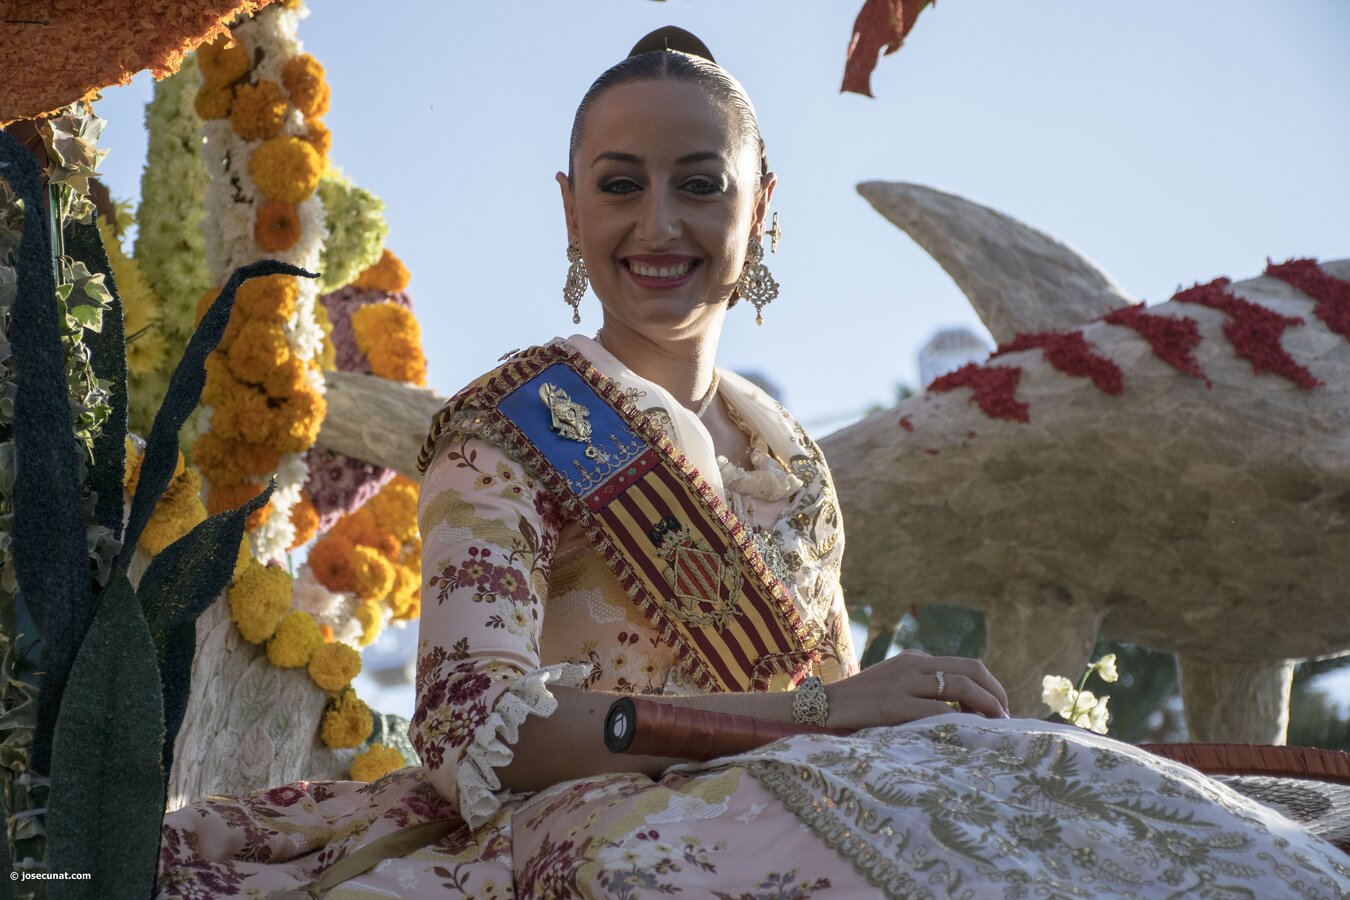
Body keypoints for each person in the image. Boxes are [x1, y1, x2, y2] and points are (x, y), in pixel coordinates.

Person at [158, 27, 1350, 899]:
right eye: (620, 188)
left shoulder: (795, 463)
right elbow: (480, 734)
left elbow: (824, 711)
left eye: (701, 184)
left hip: (795, 797)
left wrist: (886, 711)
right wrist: (828, 711)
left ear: (762, 207)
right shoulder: (516, 418)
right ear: (571, 208)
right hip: (582, 832)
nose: (658, 224)